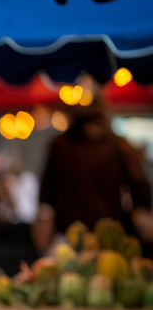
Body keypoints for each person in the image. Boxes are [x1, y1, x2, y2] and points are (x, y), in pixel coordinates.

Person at [34, 99, 153, 252]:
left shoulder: (60, 145)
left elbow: (46, 196)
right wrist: (140, 213)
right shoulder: (118, 144)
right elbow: (140, 188)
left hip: (70, 237)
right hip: (109, 236)